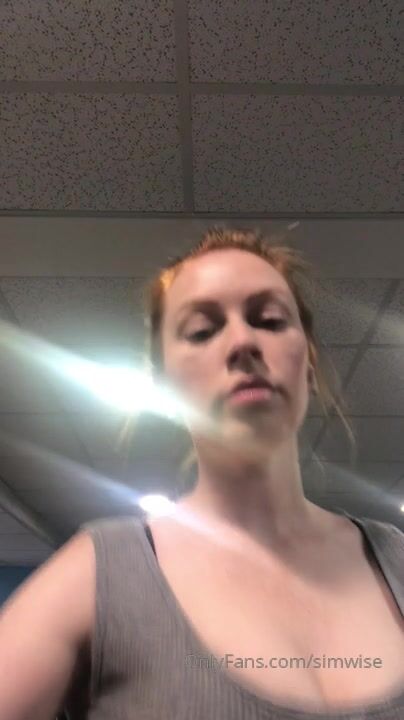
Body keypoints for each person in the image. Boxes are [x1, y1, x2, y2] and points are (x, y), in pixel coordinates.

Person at [0, 226, 403, 720]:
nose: (243, 342)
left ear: (309, 363)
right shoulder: (102, 571)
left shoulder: (396, 558)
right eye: (201, 331)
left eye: (270, 320)